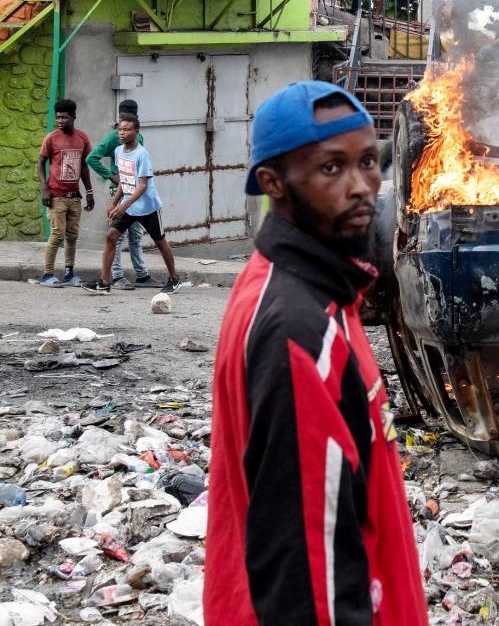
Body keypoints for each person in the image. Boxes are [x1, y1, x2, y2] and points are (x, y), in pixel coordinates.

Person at [204, 81, 427, 624]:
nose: (362, 188)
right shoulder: (300, 332)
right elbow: (307, 576)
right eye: (332, 168)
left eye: (368, 161)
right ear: (273, 183)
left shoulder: (318, 291)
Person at [80, 115, 180, 295]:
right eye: (120, 129)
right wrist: (114, 203)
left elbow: (142, 186)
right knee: (111, 236)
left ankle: (174, 279)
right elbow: (123, 180)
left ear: (136, 132)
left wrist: (123, 205)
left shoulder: (142, 154)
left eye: (127, 130)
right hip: (129, 205)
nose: (122, 133)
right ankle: (104, 283)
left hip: (148, 207)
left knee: (160, 241)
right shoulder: (119, 151)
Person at [86, 99, 159, 290]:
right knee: (116, 235)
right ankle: (117, 276)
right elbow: (91, 158)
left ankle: (142, 275)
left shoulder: (138, 138)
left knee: (135, 235)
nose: (123, 130)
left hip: (135, 193)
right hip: (120, 192)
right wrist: (112, 177)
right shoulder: (113, 137)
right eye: (122, 122)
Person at [37, 99, 93, 288]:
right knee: (57, 234)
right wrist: (44, 188)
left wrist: (89, 191)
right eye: (58, 117)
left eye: (64, 117)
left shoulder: (82, 138)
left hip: (74, 196)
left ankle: (69, 273)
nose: (60, 121)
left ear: (73, 117)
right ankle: (47, 274)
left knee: (72, 235)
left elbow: (84, 166)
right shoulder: (51, 138)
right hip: (56, 196)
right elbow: (40, 162)